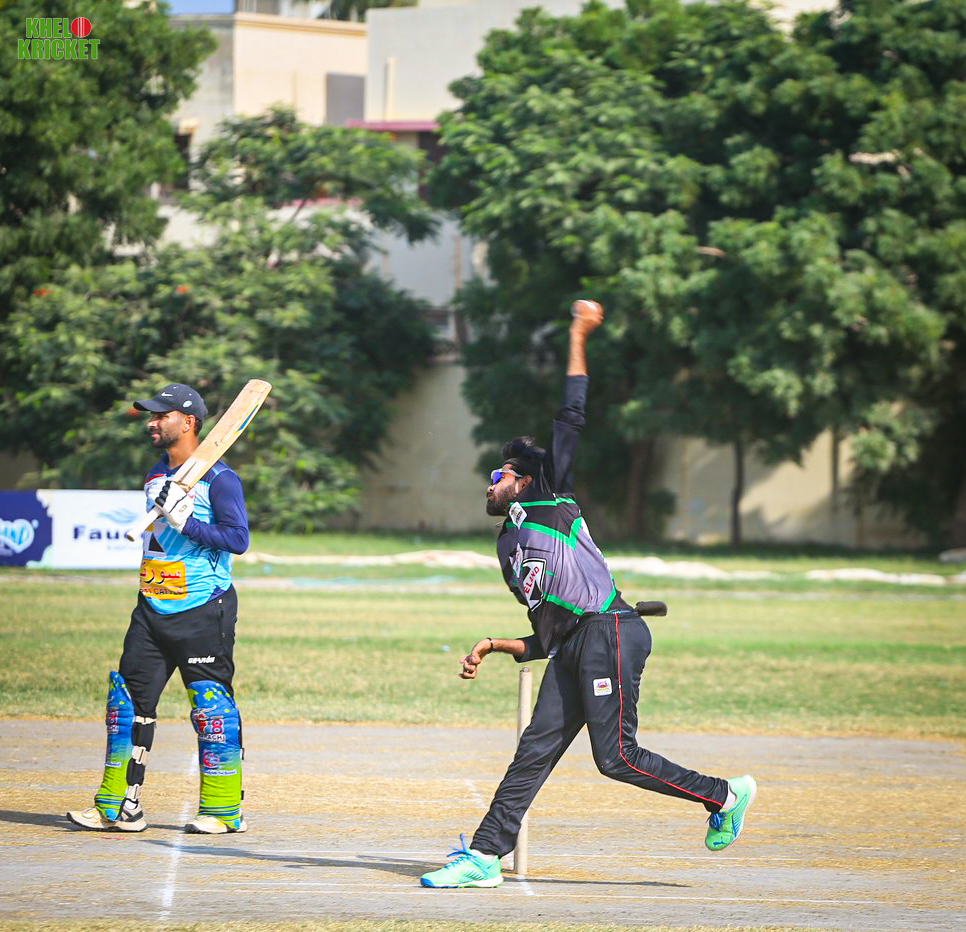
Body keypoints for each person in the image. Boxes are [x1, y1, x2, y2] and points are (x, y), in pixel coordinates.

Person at [420, 301, 756, 888]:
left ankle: (726, 795)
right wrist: (495, 645)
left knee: (616, 757)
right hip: (574, 645)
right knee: (533, 751)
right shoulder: (508, 548)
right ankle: (484, 857)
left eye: (499, 474)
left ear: (525, 479)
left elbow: (570, 415)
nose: (490, 482)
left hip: (610, 631)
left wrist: (578, 332)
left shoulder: (550, 499)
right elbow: (547, 635)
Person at [67, 383, 249, 835]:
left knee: (210, 707)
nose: (151, 422)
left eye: (160, 415)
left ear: (187, 422)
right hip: (151, 606)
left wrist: (186, 520)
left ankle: (223, 810)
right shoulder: (155, 475)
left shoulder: (220, 479)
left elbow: (237, 540)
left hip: (203, 607)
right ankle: (117, 806)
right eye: (150, 415)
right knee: (125, 705)